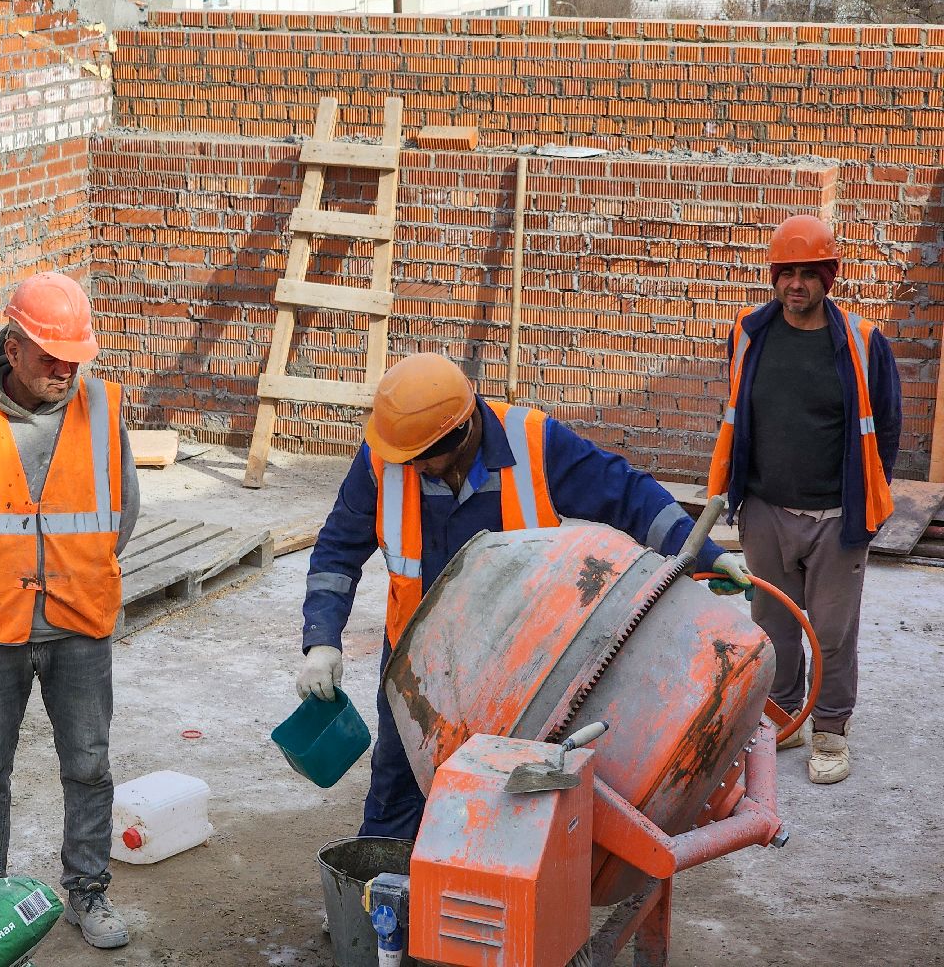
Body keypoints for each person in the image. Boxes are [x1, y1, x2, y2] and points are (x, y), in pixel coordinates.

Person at [295, 351, 752, 840]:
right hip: (418, 664)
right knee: (398, 789)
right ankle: (380, 898)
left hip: (521, 666)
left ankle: (488, 893)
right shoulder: (385, 459)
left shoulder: (532, 441)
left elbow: (627, 494)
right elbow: (337, 551)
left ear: (462, 432)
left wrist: (703, 553)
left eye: (422, 458)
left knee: (512, 797)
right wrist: (321, 642)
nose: (413, 468)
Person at [0, 270, 138, 949]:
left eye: (74, 357)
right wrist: (0, 570)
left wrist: (72, 569)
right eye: (49, 355)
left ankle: (88, 892)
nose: (64, 370)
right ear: (11, 347)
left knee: (90, 764)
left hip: (79, 623)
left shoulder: (102, 409)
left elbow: (122, 512)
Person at [707, 215, 900, 785]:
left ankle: (832, 731)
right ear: (774, 277)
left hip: (837, 519)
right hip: (765, 510)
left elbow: (884, 428)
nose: (796, 284)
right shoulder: (750, 333)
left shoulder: (862, 342)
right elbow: (740, 415)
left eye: (808, 273)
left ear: (829, 277)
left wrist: (865, 504)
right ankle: (783, 715)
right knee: (771, 624)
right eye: (785, 273)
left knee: (833, 631)